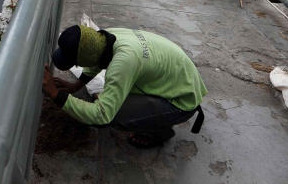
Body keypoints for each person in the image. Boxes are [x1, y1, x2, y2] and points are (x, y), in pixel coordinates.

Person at [42, 25, 207, 148]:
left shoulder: (123, 62)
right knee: (110, 99)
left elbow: (101, 116)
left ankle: (160, 131)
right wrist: (75, 86)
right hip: (178, 81)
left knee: (111, 115)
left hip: (182, 101)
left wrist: (56, 95)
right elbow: (96, 59)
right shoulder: (106, 37)